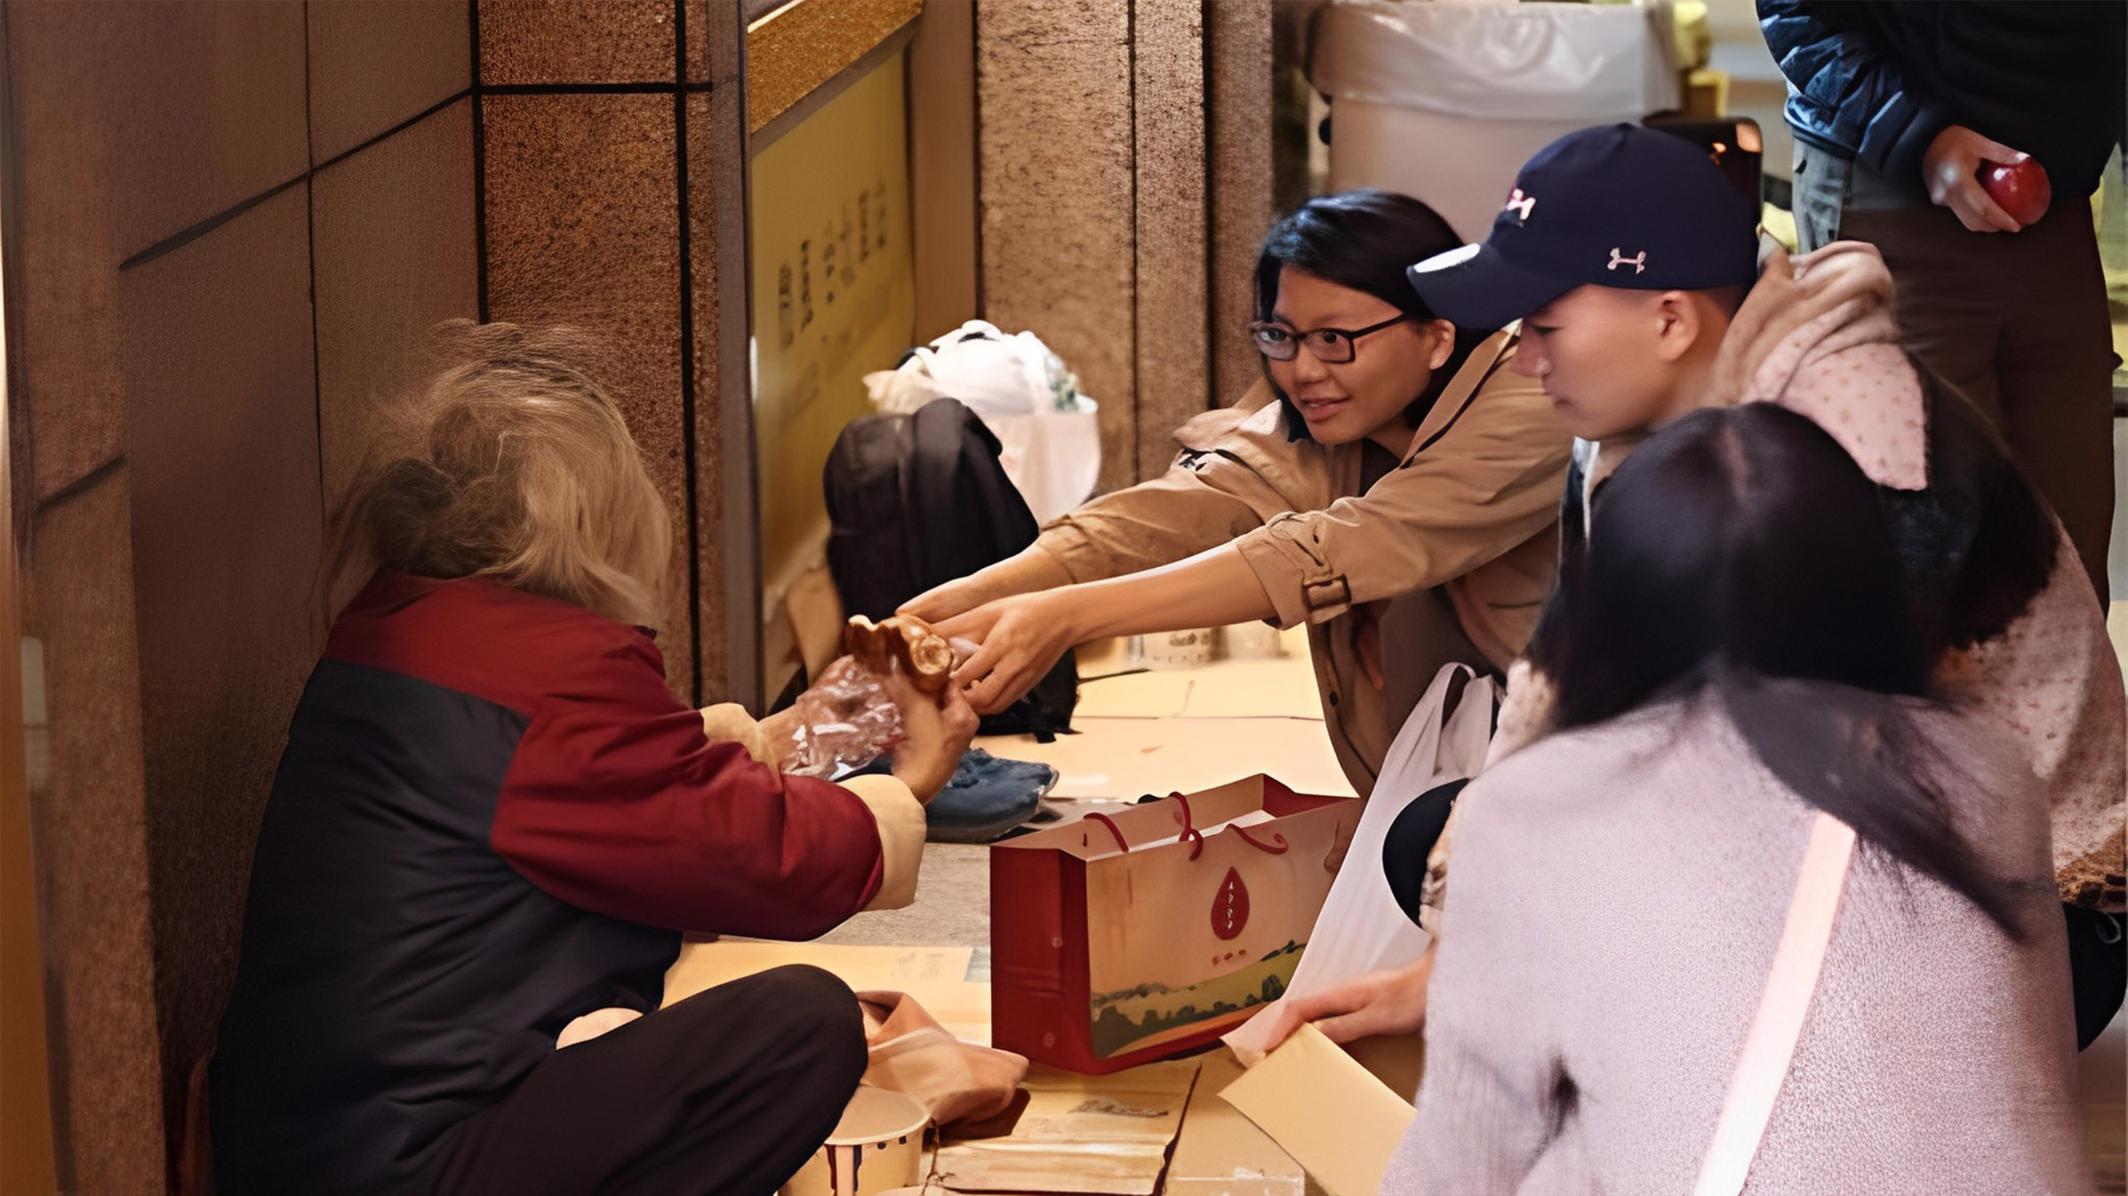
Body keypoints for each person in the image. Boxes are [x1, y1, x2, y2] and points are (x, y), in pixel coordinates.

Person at [1261, 124, 2123, 1055]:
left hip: (2024, 920)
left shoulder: (1855, 452)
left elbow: (1817, 788)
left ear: (1670, 320)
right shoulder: (1624, 434)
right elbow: (1561, 689)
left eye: (1543, 327)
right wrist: (1454, 948)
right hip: (1830, 844)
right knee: (1433, 842)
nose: (1524, 362)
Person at [209, 323, 978, 1195]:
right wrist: (911, 781)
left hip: (317, 1138)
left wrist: (811, 732)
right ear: (582, 521)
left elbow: (624, 786)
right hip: (403, 1161)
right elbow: (756, 856)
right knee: (805, 1023)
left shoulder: (405, 627)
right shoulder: (543, 674)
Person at [1386, 403, 2094, 1194]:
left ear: (1612, 602)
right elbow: (2038, 1068)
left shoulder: (1540, 802)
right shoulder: (1984, 765)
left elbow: (1466, 1160)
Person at [903, 190, 1571, 797]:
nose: (1303, 370)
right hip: (1456, 788)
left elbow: (1340, 547)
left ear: (1437, 337)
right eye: (1281, 336)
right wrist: (972, 598)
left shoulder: (1533, 404)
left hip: (1574, 791)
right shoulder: (1344, 414)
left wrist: (1064, 617)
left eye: (1334, 340)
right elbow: (1188, 506)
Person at [1760, 0, 2126, 602]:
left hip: (2057, 202)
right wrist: (1921, 137)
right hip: (1890, 188)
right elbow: (1798, 16)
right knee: (1931, 570)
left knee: (2073, 569)